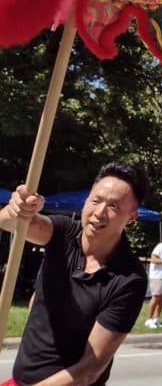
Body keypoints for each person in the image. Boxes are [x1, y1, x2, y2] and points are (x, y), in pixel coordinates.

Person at [0, 162, 148, 386]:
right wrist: (19, 209)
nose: (99, 213)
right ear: (86, 201)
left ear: (131, 217)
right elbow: (9, 223)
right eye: (95, 201)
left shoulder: (129, 279)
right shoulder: (64, 233)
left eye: (114, 206)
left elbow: (88, 371)